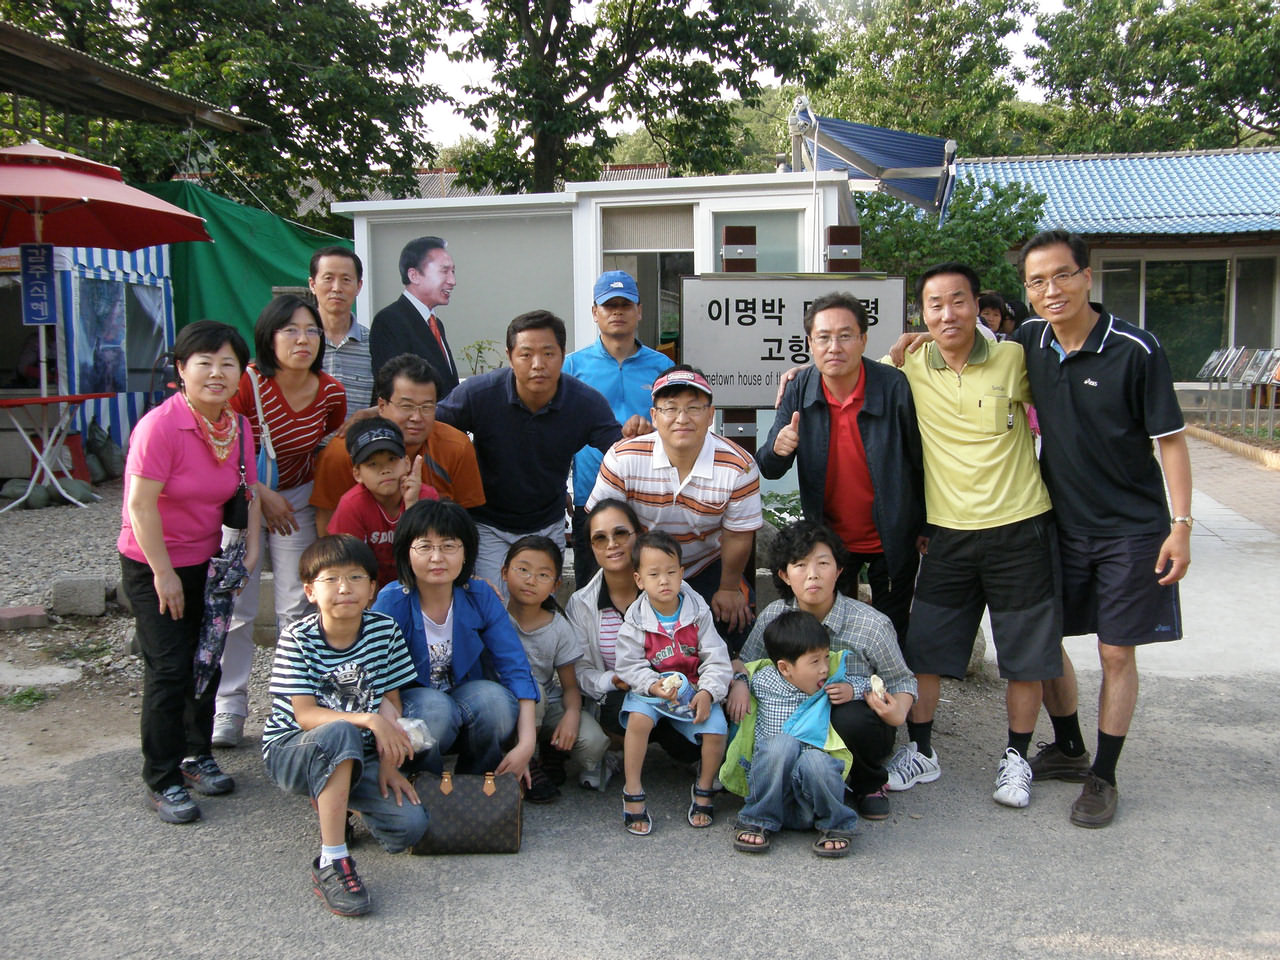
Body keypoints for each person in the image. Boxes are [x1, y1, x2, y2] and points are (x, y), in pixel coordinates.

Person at [1013, 229, 1192, 828]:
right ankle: (1068, 748)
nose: (1051, 289)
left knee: (1116, 650)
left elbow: (1170, 443)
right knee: (1044, 641)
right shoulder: (1029, 340)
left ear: (1087, 276)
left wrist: (1182, 525)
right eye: (1037, 281)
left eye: (1062, 275)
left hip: (1132, 529)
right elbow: (968, 347)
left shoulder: (1137, 349)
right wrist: (912, 340)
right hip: (1058, 523)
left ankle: (1104, 775)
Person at [885, 262, 1061, 810]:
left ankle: (1016, 758)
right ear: (922, 313)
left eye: (957, 301)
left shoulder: (1013, 357)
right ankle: (922, 751)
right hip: (948, 536)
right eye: (934, 304)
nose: (946, 314)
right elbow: (845, 369)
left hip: (1020, 528)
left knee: (1025, 656)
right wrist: (797, 378)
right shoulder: (911, 362)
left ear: (976, 303)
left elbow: (1063, 409)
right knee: (927, 651)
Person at [118, 320, 260, 823]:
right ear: (181, 369)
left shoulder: (237, 425)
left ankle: (196, 754)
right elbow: (140, 506)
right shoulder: (160, 426)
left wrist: (251, 548)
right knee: (170, 668)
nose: (217, 373)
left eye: (228, 364)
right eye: (204, 362)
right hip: (154, 562)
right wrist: (163, 573)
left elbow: (246, 493)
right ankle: (162, 777)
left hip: (211, 563)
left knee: (207, 661)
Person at [261, 535, 425, 917]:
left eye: (355, 578)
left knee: (411, 827)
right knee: (340, 731)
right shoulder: (297, 637)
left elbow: (392, 700)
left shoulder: (384, 631)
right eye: (330, 579)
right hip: (294, 750)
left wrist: (389, 762)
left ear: (372, 589)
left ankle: (339, 802)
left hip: (358, 754)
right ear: (310, 591)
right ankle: (332, 860)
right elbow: (304, 715)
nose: (344, 588)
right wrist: (365, 718)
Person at [213, 294, 347, 747]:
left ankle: (293, 707)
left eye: (311, 330)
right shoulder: (247, 384)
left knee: (300, 605)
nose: (303, 339)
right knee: (237, 606)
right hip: (243, 498)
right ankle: (228, 708)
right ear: (269, 338)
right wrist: (259, 492)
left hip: (298, 502)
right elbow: (223, 446)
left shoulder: (331, 390)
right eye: (290, 330)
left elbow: (324, 446)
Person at [758, 292, 924, 642]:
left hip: (891, 538)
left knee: (891, 634)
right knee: (832, 637)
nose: (834, 346)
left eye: (845, 335)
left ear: (863, 340)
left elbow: (918, 461)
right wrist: (778, 448)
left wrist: (924, 527)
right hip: (830, 543)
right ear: (810, 343)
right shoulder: (800, 387)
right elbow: (770, 467)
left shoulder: (893, 386)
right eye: (823, 337)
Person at [731, 520, 915, 820]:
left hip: (852, 721)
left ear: (839, 570)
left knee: (847, 717)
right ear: (784, 575)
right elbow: (747, 662)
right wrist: (739, 682)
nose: (812, 574)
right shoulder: (775, 615)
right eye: (800, 565)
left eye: (823, 563)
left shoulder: (871, 625)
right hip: (791, 719)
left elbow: (902, 680)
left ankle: (869, 783)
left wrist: (898, 711)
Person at [435, 310, 627, 589]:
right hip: (489, 524)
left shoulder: (585, 403)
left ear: (563, 355)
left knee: (539, 609)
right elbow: (429, 425)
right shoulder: (480, 394)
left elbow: (621, 451)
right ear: (510, 355)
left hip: (546, 523)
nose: (538, 364)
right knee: (492, 607)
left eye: (549, 353)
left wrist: (639, 438)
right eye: (526, 354)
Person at [588, 365, 762, 656]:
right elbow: (601, 525)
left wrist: (729, 588)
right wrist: (622, 582)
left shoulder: (738, 466)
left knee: (735, 625)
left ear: (710, 415)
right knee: (622, 643)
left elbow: (738, 535)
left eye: (694, 408)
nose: (682, 418)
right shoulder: (624, 457)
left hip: (704, 562)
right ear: (654, 416)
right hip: (637, 564)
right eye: (670, 408)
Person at [371, 499, 540, 784]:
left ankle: (478, 783)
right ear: (406, 552)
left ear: (466, 553)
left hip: (465, 699)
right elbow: (375, 677)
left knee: (496, 701)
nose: (437, 557)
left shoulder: (479, 595)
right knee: (436, 709)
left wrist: (526, 744)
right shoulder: (392, 601)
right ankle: (422, 781)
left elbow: (515, 667)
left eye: (449, 546)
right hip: (415, 707)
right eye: (424, 546)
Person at [566, 499, 701, 774]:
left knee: (688, 746)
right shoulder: (581, 603)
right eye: (600, 539)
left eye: (620, 534)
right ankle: (623, 750)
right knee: (616, 707)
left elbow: (704, 642)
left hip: (678, 690)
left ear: (637, 535)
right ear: (592, 548)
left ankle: (685, 746)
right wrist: (611, 680)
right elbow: (579, 670)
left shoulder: (676, 588)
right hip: (623, 695)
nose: (611, 544)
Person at [615, 531, 732, 836]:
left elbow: (716, 657)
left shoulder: (697, 612)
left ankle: (705, 786)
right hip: (652, 690)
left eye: (670, 572)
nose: (663, 581)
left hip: (692, 687)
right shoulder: (636, 619)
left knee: (717, 729)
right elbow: (629, 664)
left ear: (681, 573)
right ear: (639, 580)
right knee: (638, 720)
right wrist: (652, 685)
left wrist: (708, 692)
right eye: (654, 574)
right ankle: (633, 787)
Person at [723, 611, 862, 858]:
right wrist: (741, 684)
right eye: (814, 661)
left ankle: (835, 824)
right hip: (771, 789)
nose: (824, 668)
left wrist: (851, 689)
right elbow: (734, 666)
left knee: (816, 760)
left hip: (811, 798)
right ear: (785, 668)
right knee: (782, 744)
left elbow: (868, 684)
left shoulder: (830, 683)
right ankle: (757, 819)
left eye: (826, 658)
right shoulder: (765, 680)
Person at [563, 270, 670, 586]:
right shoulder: (572, 367)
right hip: (591, 495)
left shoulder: (662, 367)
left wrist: (653, 430)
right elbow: (559, 433)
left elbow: (678, 428)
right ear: (595, 313)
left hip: (649, 496)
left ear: (639, 311)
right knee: (591, 591)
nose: (618, 312)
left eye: (626, 304)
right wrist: (561, 488)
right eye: (610, 305)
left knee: (650, 586)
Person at [310, 353, 485, 535]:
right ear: (382, 406)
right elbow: (326, 524)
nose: (417, 418)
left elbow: (465, 519)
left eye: (427, 407)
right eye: (406, 406)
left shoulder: (456, 447)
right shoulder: (344, 451)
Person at [501, 535, 609, 800]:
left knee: (593, 743)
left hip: (547, 705)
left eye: (543, 574)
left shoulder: (559, 627)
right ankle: (529, 763)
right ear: (504, 573)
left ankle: (551, 751)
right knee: (531, 689)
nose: (530, 580)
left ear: (555, 584)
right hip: (504, 706)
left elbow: (570, 686)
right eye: (522, 569)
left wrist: (572, 714)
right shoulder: (495, 615)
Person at [327, 417, 436, 589]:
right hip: (370, 590)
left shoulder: (425, 496)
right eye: (373, 464)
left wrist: (412, 506)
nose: (385, 469)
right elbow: (348, 566)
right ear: (357, 474)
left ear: (406, 462)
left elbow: (434, 554)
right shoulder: (352, 505)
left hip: (421, 586)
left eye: (392, 459)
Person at [369, 236, 459, 396]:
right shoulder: (390, 321)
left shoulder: (436, 324)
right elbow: (395, 390)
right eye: (444, 271)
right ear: (414, 275)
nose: (452, 281)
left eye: (453, 271)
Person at [309, 246, 373, 417]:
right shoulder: (299, 341)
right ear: (312, 284)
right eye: (328, 278)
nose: (336, 288)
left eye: (346, 280)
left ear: (359, 286)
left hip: (356, 442)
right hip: (305, 443)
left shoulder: (373, 343)